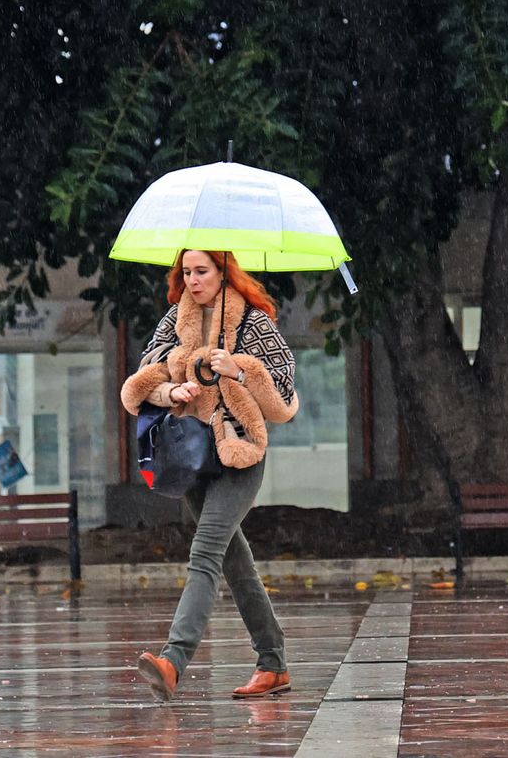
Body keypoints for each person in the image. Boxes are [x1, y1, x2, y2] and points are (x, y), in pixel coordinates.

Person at [119, 248, 300, 701]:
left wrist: (238, 368)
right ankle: (273, 663)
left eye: (202, 271)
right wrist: (171, 389)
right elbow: (143, 378)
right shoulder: (174, 321)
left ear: (224, 272)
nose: (193, 280)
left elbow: (284, 394)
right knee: (234, 561)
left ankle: (172, 661)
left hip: (239, 455)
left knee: (204, 553)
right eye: (187, 272)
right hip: (190, 457)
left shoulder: (255, 322)